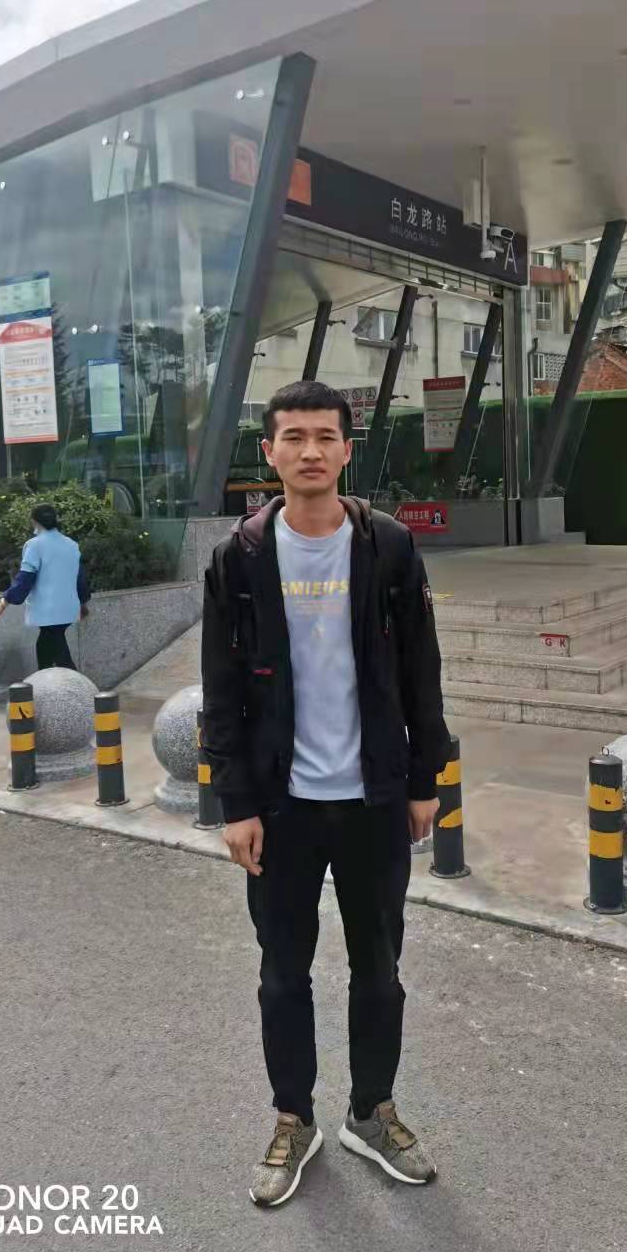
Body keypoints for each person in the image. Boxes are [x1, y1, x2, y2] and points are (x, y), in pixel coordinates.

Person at [201, 379, 451, 1208]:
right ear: (268, 452)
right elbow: (221, 691)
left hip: (374, 800)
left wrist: (425, 779)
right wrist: (236, 804)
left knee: (380, 970)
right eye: (293, 437)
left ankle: (371, 1112)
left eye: (325, 437)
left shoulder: (388, 546)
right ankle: (293, 1117)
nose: (310, 451)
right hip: (282, 809)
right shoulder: (240, 558)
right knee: (284, 973)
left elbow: (421, 670)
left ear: (347, 449)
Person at [0, 504, 90, 670]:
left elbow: (25, 580)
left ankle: (76, 684)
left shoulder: (34, 545)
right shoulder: (72, 545)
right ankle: (44, 678)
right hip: (69, 608)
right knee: (45, 646)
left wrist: (2, 604)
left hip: (48, 610)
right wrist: (83, 603)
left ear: (34, 521)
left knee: (60, 656)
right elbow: (79, 579)